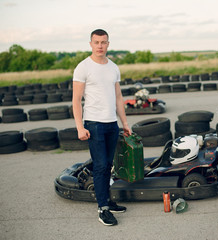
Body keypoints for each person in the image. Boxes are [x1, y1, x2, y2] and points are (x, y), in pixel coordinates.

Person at [72, 29, 132, 226]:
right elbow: (76, 100)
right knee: (100, 166)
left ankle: (107, 201)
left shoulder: (113, 67)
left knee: (109, 165)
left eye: (103, 42)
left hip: (111, 124)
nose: (100, 46)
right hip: (94, 124)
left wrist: (124, 123)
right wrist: (80, 127)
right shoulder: (83, 67)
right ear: (90, 43)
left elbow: (118, 98)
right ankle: (102, 209)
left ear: (108, 44)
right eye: (96, 42)